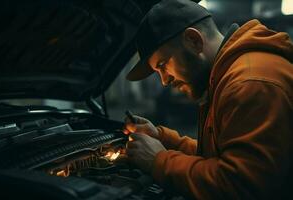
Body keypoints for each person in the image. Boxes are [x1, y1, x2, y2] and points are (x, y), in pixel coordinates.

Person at [123, 0, 293, 199]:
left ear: (194, 41)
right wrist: (163, 139)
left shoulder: (249, 83)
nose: (164, 80)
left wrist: (159, 161)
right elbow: (221, 156)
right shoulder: (226, 76)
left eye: (163, 65)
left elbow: (240, 186)